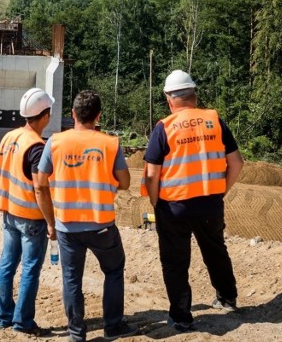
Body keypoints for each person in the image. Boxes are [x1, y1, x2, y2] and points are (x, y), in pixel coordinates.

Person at [141, 69, 244, 332]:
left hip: (173, 207)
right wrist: (221, 190)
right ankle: (227, 297)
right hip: (210, 203)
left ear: (169, 98)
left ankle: (182, 317)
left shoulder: (164, 127)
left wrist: (155, 201)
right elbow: (236, 163)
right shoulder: (214, 121)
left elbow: (152, 173)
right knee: (215, 250)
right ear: (194, 95)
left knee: (175, 262)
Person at [36, 90, 138, 342]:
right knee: (113, 271)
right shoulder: (110, 144)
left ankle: (76, 333)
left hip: (67, 227)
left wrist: (50, 223)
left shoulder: (55, 142)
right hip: (102, 225)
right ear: (98, 116)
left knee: (72, 279)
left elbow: (40, 184)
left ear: (73, 115)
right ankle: (113, 326)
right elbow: (125, 183)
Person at [0, 87, 55, 337]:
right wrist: (51, 222)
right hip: (31, 218)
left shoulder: (10, 137)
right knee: (29, 270)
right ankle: (23, 322)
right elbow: (40, 187)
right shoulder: (36, 146)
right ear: (45, 115)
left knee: (6, 265)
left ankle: (3, 315)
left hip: (10, 213)